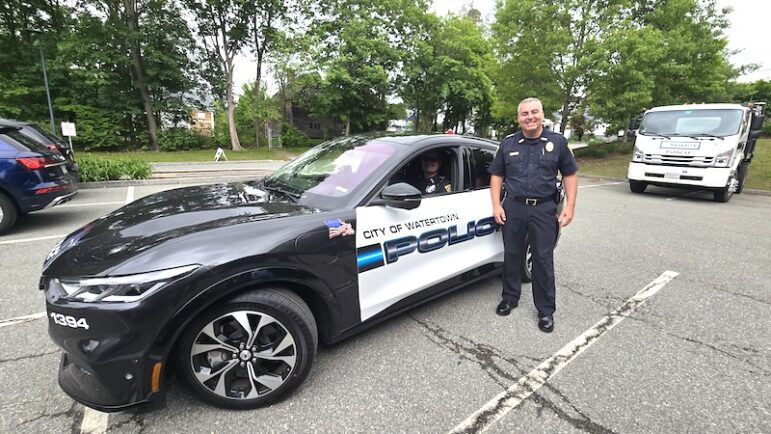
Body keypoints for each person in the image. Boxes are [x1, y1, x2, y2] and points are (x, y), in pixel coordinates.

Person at [487, 97, 578, 333]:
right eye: (525, 113)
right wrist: (496, 205)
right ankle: (510, 297)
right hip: (513, 207)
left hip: (543, 209)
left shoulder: (557, 142)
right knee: (512, 255)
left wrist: (570, 206)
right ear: (518, 118)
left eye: (534, 112)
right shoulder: (508, 144)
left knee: (543, 259)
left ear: (542, 115)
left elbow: (570, 174)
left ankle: (546, 310)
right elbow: (496, 175)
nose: (530, 117)